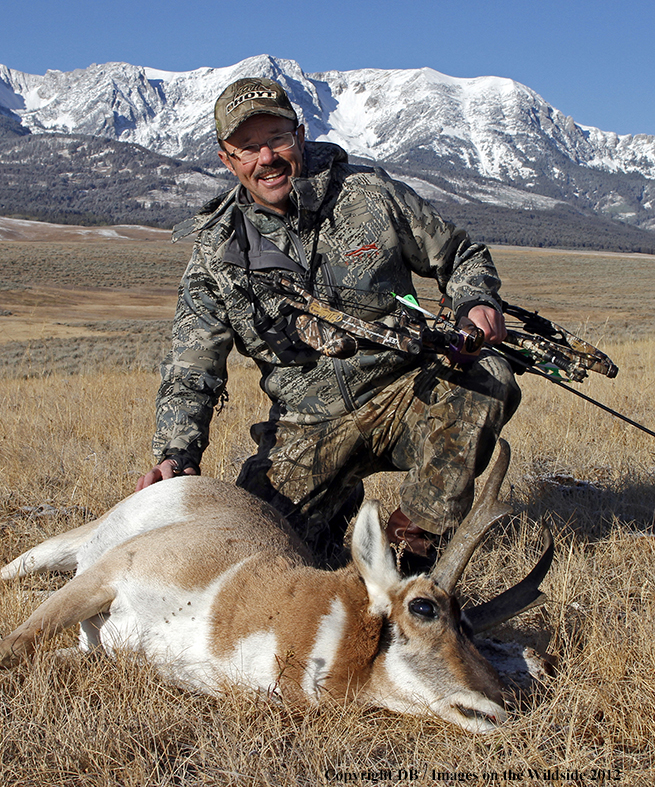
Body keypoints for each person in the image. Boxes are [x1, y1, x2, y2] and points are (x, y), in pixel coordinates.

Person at [137, 77, 520, 571]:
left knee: (486, 377)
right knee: (254, 556)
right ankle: (336, 502)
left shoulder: (369, 194)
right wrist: (177, 454)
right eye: (247, 148)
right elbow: (193, 370)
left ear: (298, 135)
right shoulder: (215, 253)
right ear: (226, 161)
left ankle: (411, 547)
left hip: (403, 392)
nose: (266, 158)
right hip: (308, 426)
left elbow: (459, 254)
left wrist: (474, 300)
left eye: (275, 139)